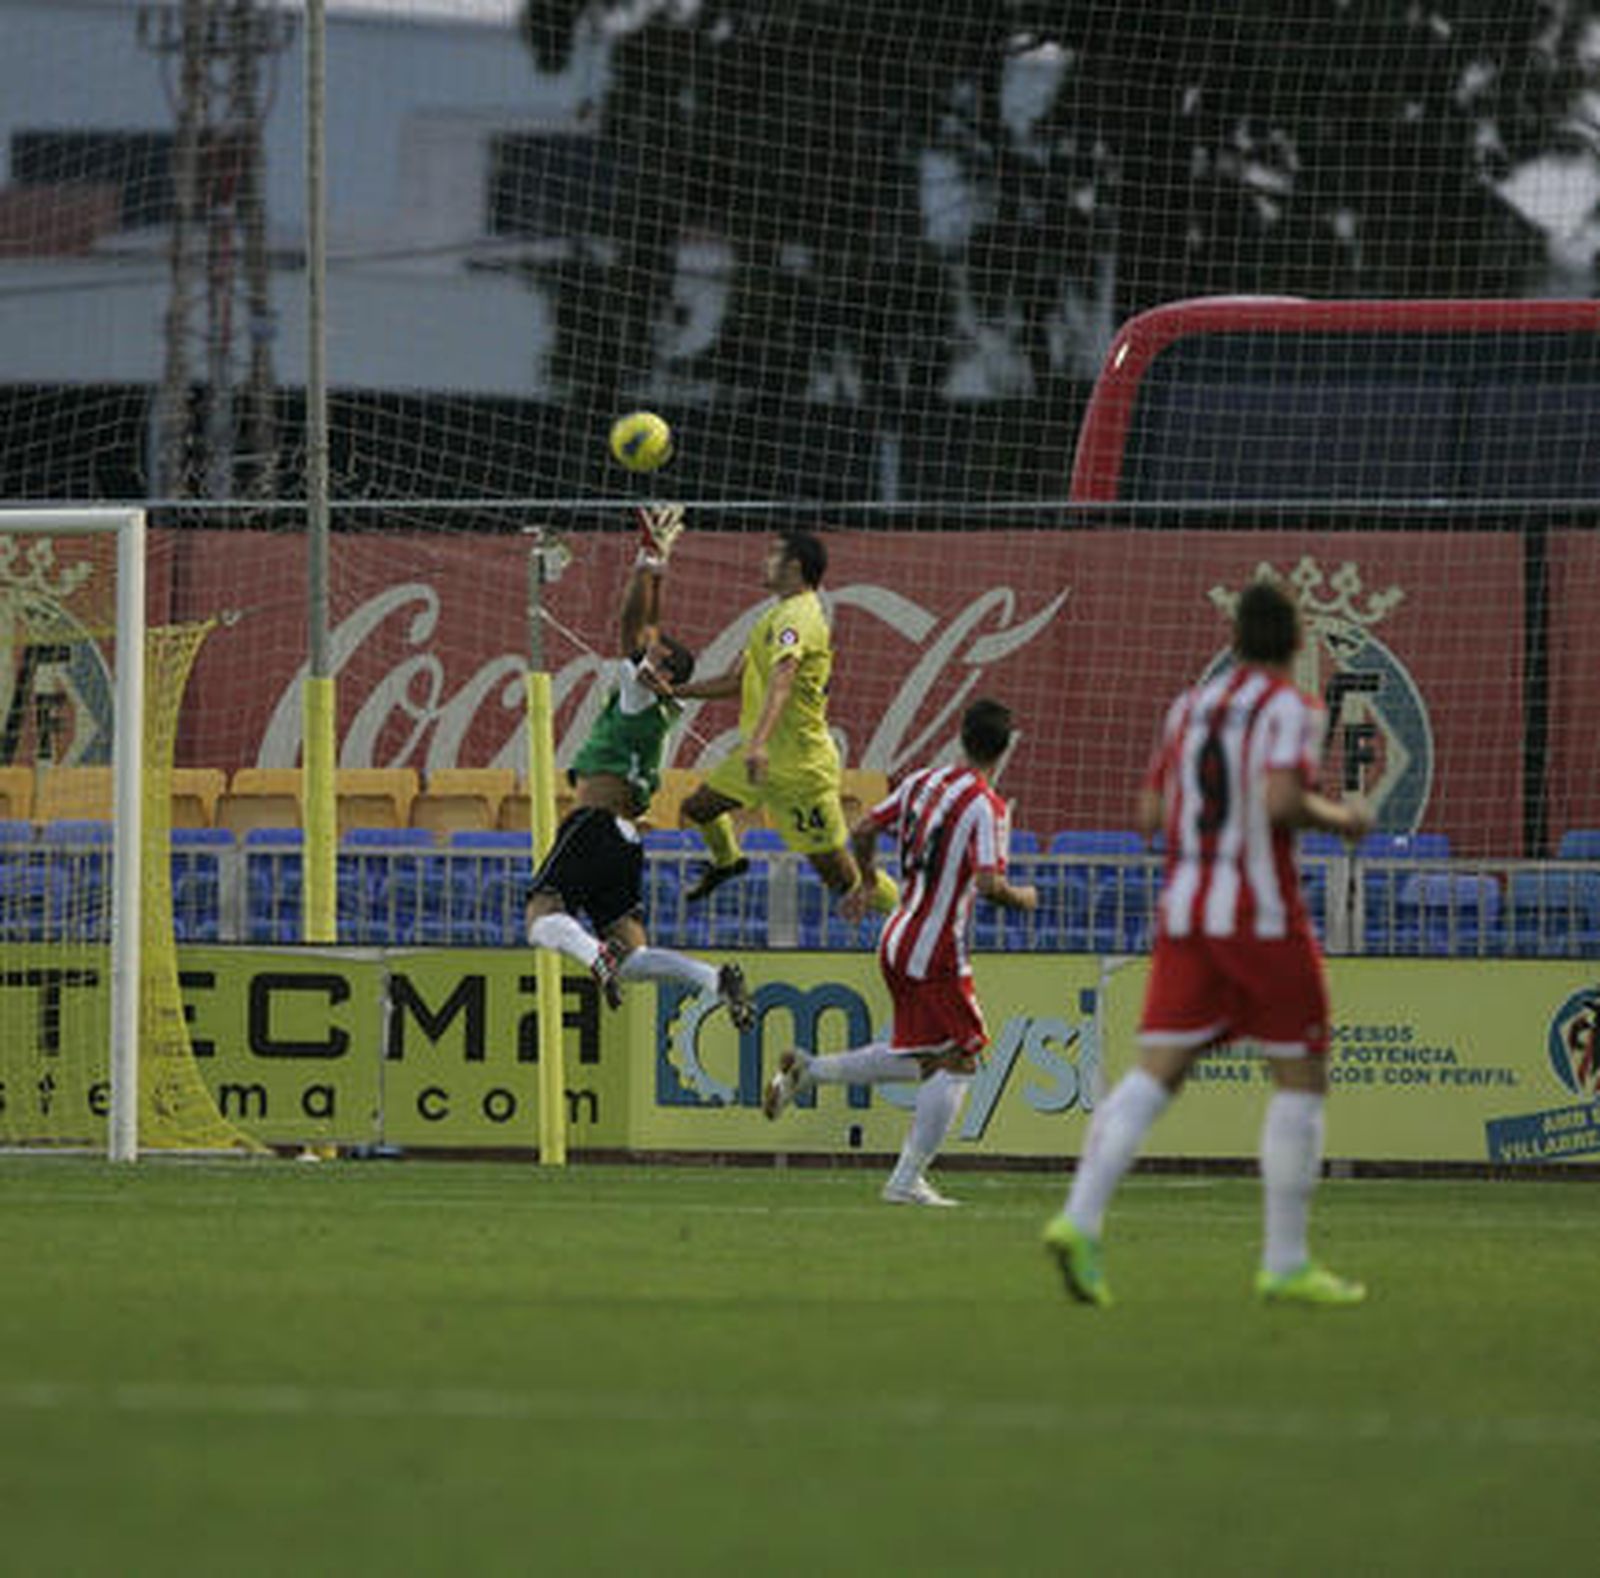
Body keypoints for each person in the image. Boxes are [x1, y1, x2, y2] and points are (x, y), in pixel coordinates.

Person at [1042, 577, 1374, 1307]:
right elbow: (1282, 801)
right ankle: (1285, 1262)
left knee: (1154, 1073)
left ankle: (1078, 1219)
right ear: (1296, 643)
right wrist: (1343, 817)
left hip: (1187, 912)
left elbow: (1150, 813)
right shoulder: (1293, 706)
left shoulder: (1190, 708)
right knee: (1301, 1078)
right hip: (1261, 916)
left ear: (1231, 642)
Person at [763, 698, 1037, 1206]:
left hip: (895, 936)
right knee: (963, 1056)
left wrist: (866, 882)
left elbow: (864, 828)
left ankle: (811, 1069)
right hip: (937, 948)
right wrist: (1024, 897)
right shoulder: (987, 806)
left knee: (926, 1056)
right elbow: (988, 882)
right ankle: (907, 1179)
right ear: (1006, 749)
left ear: (961, 735)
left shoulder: (921, 781)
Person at [526, 505, 753, 1030]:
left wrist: (651, 558)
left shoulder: (639, 691)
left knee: (540, 914)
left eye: (652, 649)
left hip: (595, 823)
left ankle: (592, 956)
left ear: (660, 665)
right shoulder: (662, 708)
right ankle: (714, 979)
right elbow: (645, 626)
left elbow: (635, 623)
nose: (643, 646)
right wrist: (656, 560)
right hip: (626, 838)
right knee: (633, 954)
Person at [673, 527, 897, 917]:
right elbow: (736, 682)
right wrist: (675, 693)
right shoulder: (773, 617)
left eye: (773, 555)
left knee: (841, 880)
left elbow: (783, 680)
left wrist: (757, 743)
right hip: (762, 759)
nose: (765, 561)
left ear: (794, 566)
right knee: (698, 808)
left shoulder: (800, 615)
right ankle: (728, 862)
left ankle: (902, 907)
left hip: (798, 768)